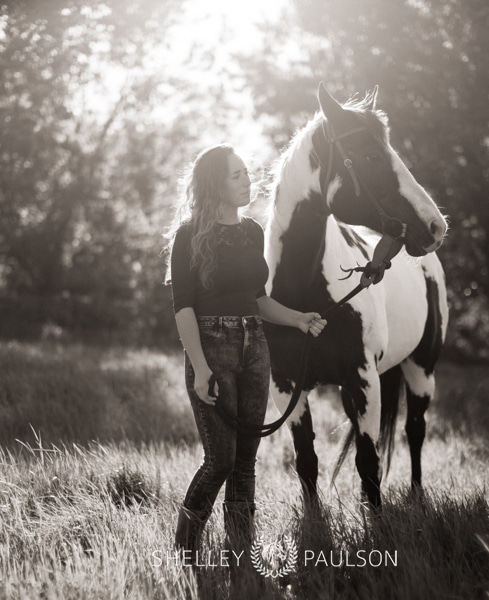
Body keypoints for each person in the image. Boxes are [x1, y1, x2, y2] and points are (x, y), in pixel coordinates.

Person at [164, 144, 326, 564]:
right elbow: (183, 307)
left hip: (256, 347)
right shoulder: (188, 235)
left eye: (246, 173)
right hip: (211, 347)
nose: (246, 180)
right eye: (236, 175)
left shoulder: (253, 232)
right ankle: (184, 553)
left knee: (246, 462)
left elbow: (259, 300)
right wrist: (200, 369)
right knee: (220, 459)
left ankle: (240, 553)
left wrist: (298, 319)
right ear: (215, 182)